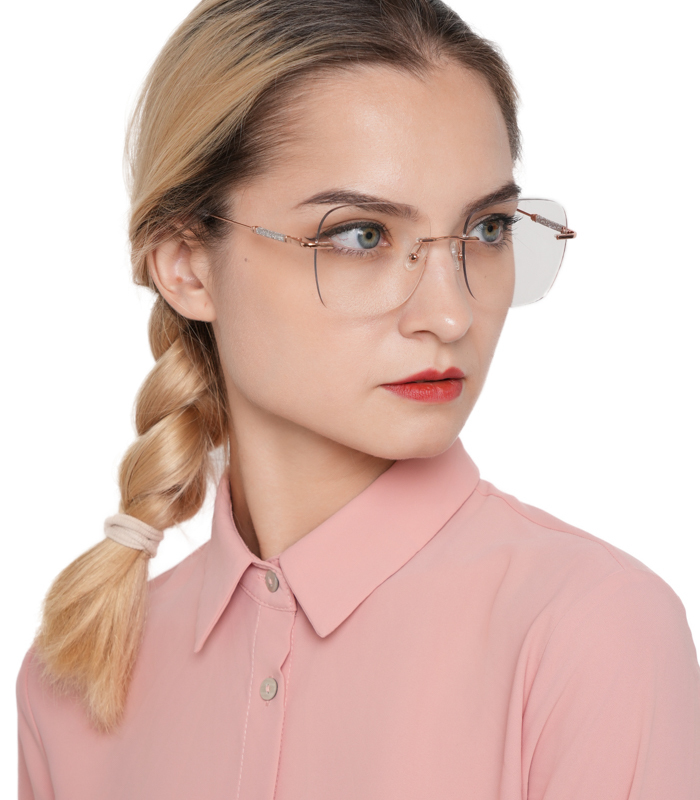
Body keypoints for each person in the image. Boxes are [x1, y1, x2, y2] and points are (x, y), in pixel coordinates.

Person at [16, 0, 700, 797]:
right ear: (187, 265)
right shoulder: (78, 678)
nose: (450, 313)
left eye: (486, 230)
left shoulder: (592, 632)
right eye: (362, 235)